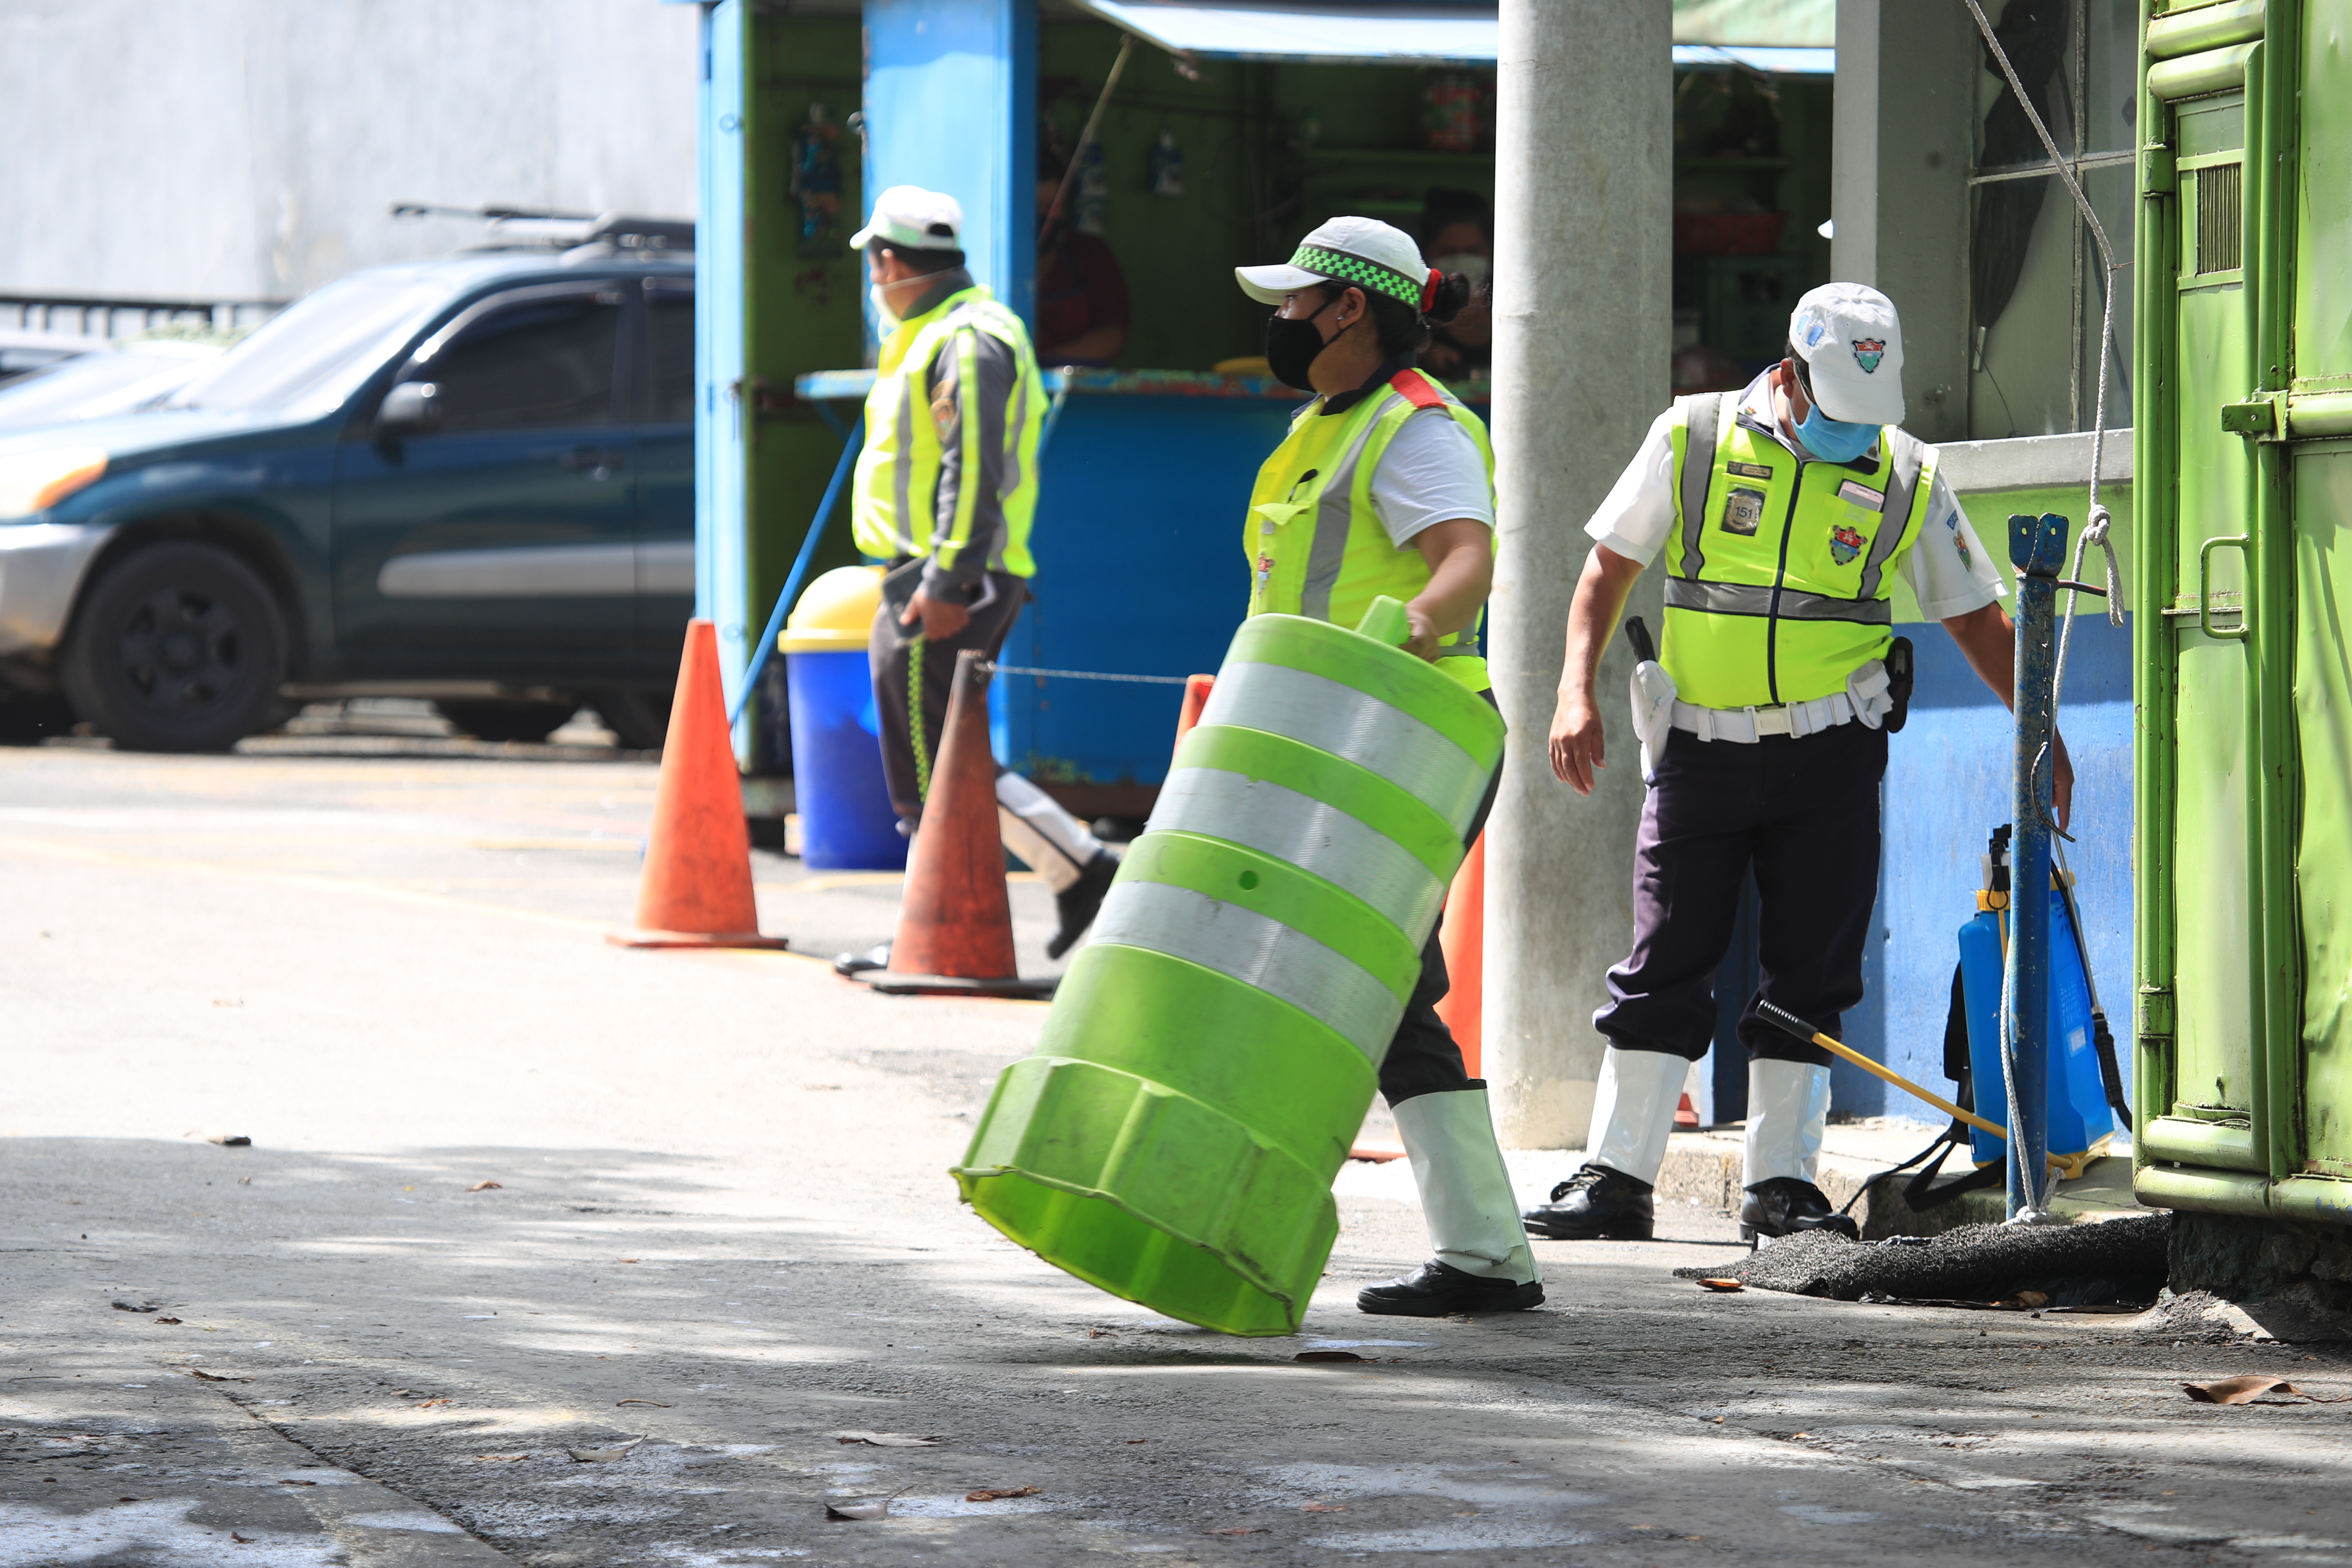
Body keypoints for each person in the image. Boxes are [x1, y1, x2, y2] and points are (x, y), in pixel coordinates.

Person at [1520, 282, 2075, 1244]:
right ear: (1789, 375)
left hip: (1832, 758)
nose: (1854, 435)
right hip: (1698, 750)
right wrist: (1575, 692)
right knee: (1666, 960)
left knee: (1810, 973)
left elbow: (1976, 621)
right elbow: (1608, 568)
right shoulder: (1693, 439)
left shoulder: (1907, 473)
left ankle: (1781, 1186)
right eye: (1837, 413)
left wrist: (2042, 732)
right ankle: (1616, 1177)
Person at [1231, 216, 1540, 1317]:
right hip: (1327, 740)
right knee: (1368, 987)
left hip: (1405, 737)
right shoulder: (1323, 425)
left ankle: (1485, 1256)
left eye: (1290, 302)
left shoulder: (1415, 429)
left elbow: (1466, 557)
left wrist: (1402, 632)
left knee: (1376, 984)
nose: (1276, 322)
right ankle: (1484, 1255)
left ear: (1346, 307)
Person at [831, 186, 1118, 975]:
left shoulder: (966, 340)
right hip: (927, 575)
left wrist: (949, 581)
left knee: (931, 765)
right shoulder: (941, 334)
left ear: (887, 261)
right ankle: (1079, 868)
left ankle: (946, 922)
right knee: (939, 758)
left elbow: (973, 469)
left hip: (945, 579)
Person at [1034, 149, 1130, 366]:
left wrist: (1052, 364)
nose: (1049, 217)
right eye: (1039, 206)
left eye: (1054, 207)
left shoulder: (1089, 253)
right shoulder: (997, 260)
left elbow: (1113, 333)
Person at [1415, 188, 1492, 380]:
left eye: (1473, 251)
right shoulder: (1413, 304)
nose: (1462, 260)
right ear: (1427, 251)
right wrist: (1424, 353)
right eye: (1448, 252)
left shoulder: (1510, 300)